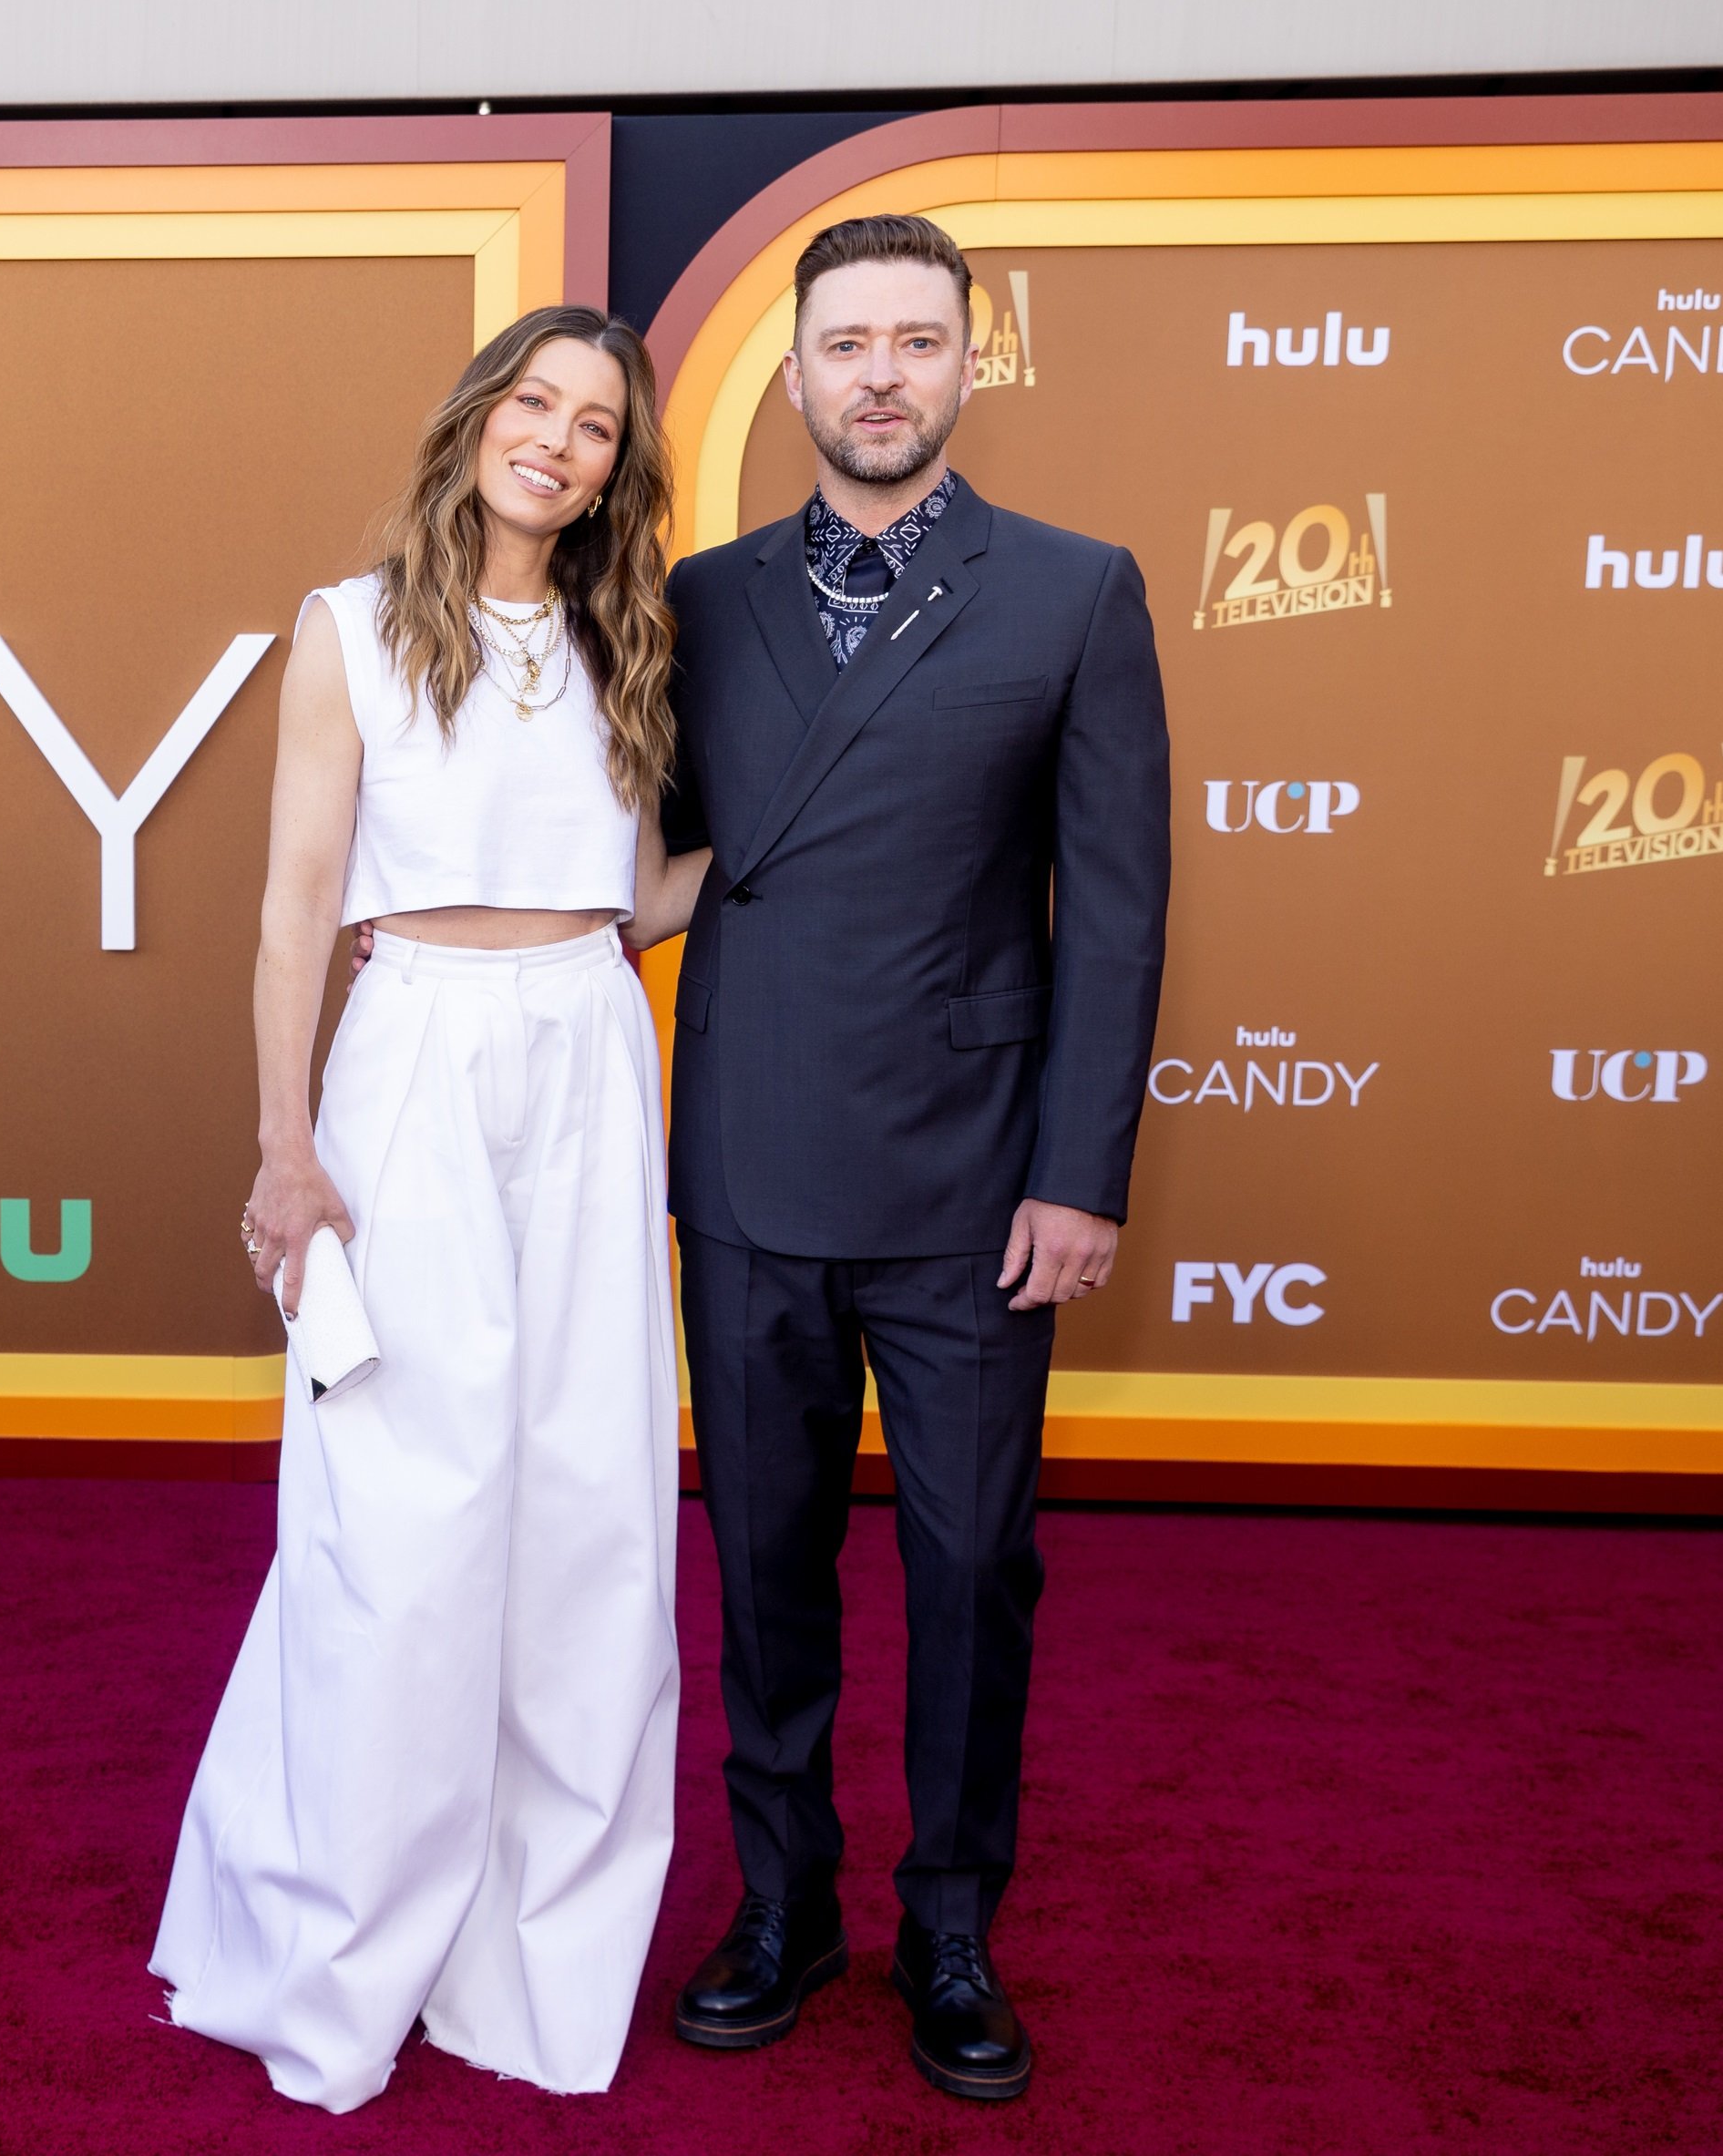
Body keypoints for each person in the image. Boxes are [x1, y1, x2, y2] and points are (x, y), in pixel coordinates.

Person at [641, 213, 1169, 2101]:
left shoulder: (1074, 592)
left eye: (917, 342)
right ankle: (782, 1907)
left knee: (971, 1568)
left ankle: (952, 1926)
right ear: (791, 376)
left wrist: (1079, 1174)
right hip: (754, 1167)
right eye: (846, 342)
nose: (879, 373)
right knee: (764, 1568)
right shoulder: (694, 602)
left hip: (973, 1187)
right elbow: (637, 855)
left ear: (968, 365)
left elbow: (1111, 911)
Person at [149, 303, 699, 2113]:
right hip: (411, 1075)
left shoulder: (631, 638)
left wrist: (862, 839)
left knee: (588, 1510)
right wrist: (284, 1144)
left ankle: (529, 1964)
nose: (560, 438)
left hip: (588, 1062)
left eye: (598, 425)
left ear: (621, 472)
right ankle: (335, 1943)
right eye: (535, 401)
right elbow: (296, 906)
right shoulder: (353, 627)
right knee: (398, 1526)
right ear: (474, 419)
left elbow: (634, 896)